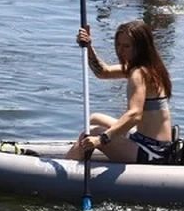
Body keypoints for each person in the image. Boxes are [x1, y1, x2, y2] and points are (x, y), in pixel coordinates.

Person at [66, 20, 174, 163]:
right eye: (118, 45)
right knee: (95, 118)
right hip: (147, 140)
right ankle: (79, 154)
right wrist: (88, 47)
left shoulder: (139, 74)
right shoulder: (149, 66)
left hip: (153, 152)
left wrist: (102, 139)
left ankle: (66, 167)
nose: (120, 51)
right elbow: (103, 72)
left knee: (92, 132)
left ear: (141, 47)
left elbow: (134, 115)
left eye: (126, 46)